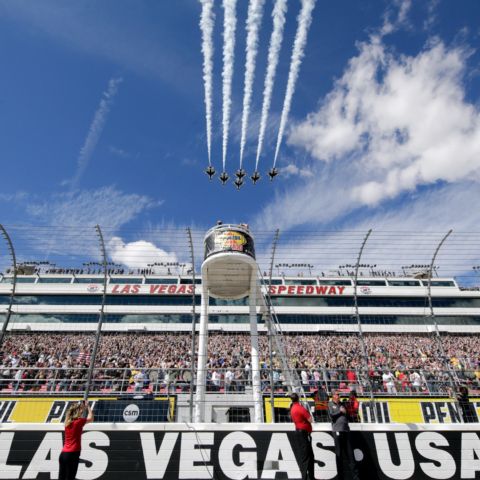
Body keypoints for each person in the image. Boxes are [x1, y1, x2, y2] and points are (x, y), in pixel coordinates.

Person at [328, 391, 360, 480]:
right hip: (337, 431)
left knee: (350, 454)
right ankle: (340, 477)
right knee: (339, 455)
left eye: (339, 395)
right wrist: (340, 411)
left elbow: (348, 415)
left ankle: (355, 477)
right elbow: (331, 415)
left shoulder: (343, 404)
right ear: (333, 396)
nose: (339, 396)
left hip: (346, 431)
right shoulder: (330, 404)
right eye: (337, 394)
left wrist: (347, 412)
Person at [59, 401, 94, 480]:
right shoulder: (78, 422)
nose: (81, 412)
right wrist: (88, 406)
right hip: (73, 454)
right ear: (77, 412)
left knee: (61, 477)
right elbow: (91, 418)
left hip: (63, 454)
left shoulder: (67, 422)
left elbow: (77, 414)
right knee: (70, 477)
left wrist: (82, 407)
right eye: (80, 410)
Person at [289, 393, 314, 480]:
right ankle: (305, 477)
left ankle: (310, 477)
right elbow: (311, 420)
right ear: (298, 398)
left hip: (299, 432)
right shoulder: (300, 408)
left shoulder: (292, 408)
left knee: (308, 456)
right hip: (303, 433)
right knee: (307, 456)